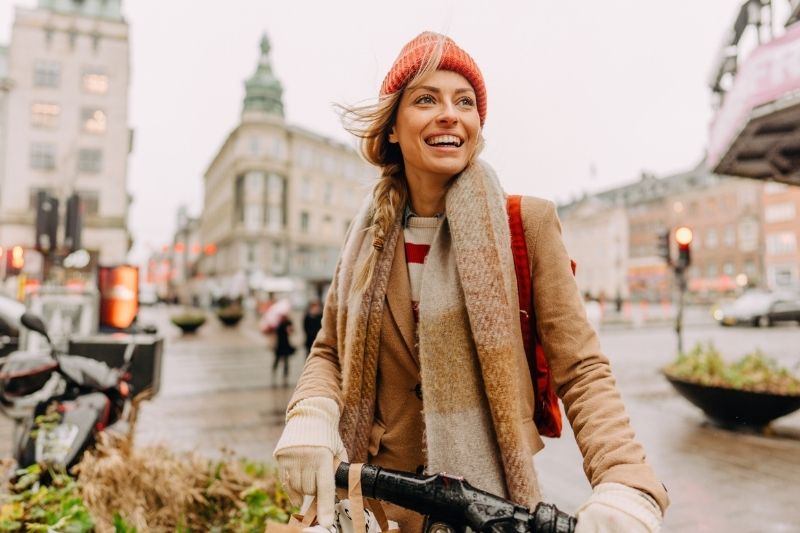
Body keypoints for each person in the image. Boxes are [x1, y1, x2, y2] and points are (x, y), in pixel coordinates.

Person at [273, 31, 668, 532]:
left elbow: (582, 369)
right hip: (371, 508)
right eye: (426, 99)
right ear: (392, 127)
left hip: (487, 512)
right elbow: (330, 350)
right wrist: (309, 412)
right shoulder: (363, 240)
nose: (450, 114)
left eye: (465, 102)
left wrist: (625, 479)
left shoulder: (527, 225)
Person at [272, 314, 295, 386]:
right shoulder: (278, 323)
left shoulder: (288, 323)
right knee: (277, 359)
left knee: (286, 360)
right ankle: (274, 370)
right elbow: (275, 334)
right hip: (279, 344)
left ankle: (285, 374)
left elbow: (292, 332)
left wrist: (289, 329)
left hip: (285, 344)